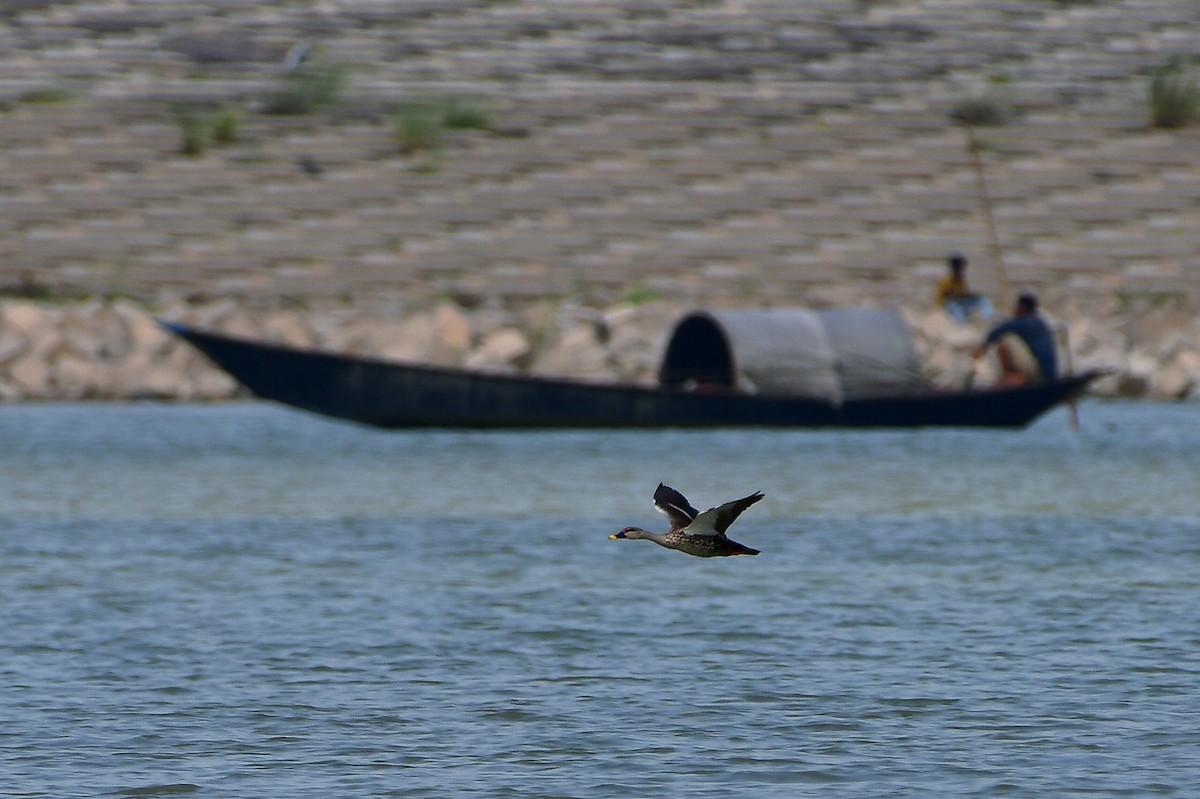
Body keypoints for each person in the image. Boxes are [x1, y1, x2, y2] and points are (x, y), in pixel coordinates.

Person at [972, 292, 1058, 386]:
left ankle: (1010, 376)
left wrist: (982, 348)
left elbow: (998, 331)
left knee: (1006, 339)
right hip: (1049, 373)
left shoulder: (1024, 322)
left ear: (1022, 307)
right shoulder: (1038, 322)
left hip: (1038, 372)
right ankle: (1018, 376)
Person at [935, 254, 993, 323]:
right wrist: (970, 295)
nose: (963, 270)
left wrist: (973, 295)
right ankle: (961, 324)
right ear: (955, 268)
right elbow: (953, 295)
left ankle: (990, 318)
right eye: (962, 267)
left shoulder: (961, 281)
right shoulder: (946, 281)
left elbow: (963, 293)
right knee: (953, 305)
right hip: (946, 308)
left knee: (982, 299)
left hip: (959, 303)